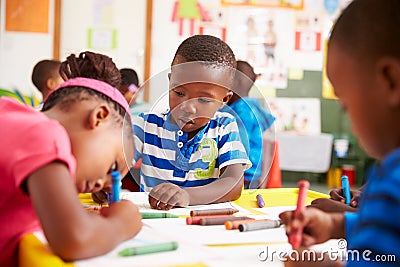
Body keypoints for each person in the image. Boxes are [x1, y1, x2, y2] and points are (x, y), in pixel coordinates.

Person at [279, 1, 400, 266]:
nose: (348, 116)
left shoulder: (394, 178)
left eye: (345, 104)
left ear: (390, 80)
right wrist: (337, 224)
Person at [0, 51, 142, 266]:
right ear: (99, 117)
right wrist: (123, 224)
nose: (100, 185)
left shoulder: (15, 117)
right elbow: (75, 240)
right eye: (112, 168)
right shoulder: (46, 135)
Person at [133, 35, 250, 210]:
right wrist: (104, 181)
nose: (188, 108)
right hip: (155, 225)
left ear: (224, 100)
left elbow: (233, 184)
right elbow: (115, 162)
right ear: (170, 81)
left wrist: (187, 195)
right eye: (179, 93)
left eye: (203, 100)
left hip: (204, 229)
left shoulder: (223, 127)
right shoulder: (146, 125)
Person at [222, 60, 275, 189]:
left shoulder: (240, 112)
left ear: (236, 82)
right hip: (255, 173)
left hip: (243, 174)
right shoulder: (253, 106)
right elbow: (267, 142)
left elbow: (237, 146)